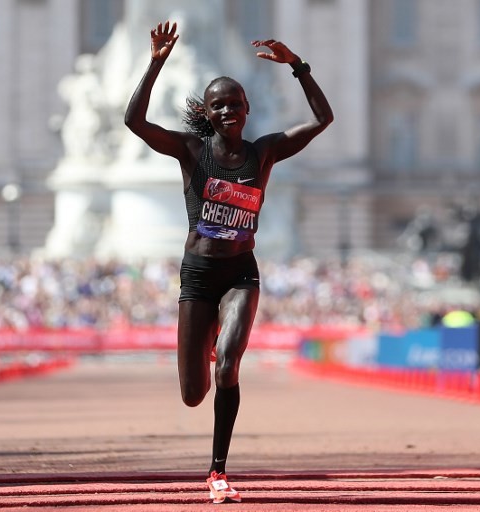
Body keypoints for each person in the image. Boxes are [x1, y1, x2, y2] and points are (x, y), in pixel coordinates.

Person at [124, 21, 333, 504]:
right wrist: (155, 63)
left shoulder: (265, 153)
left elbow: (323, 119)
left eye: (235, 103)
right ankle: (209, 336)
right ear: (208, 113)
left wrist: (298, 67)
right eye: (218, 105)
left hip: (240, 273)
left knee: (229, 369)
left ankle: (217, 470)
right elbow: (135, 122)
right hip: (198, 276)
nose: (228, 111)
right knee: (192, 393)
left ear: (247, 108)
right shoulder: (191, 150)